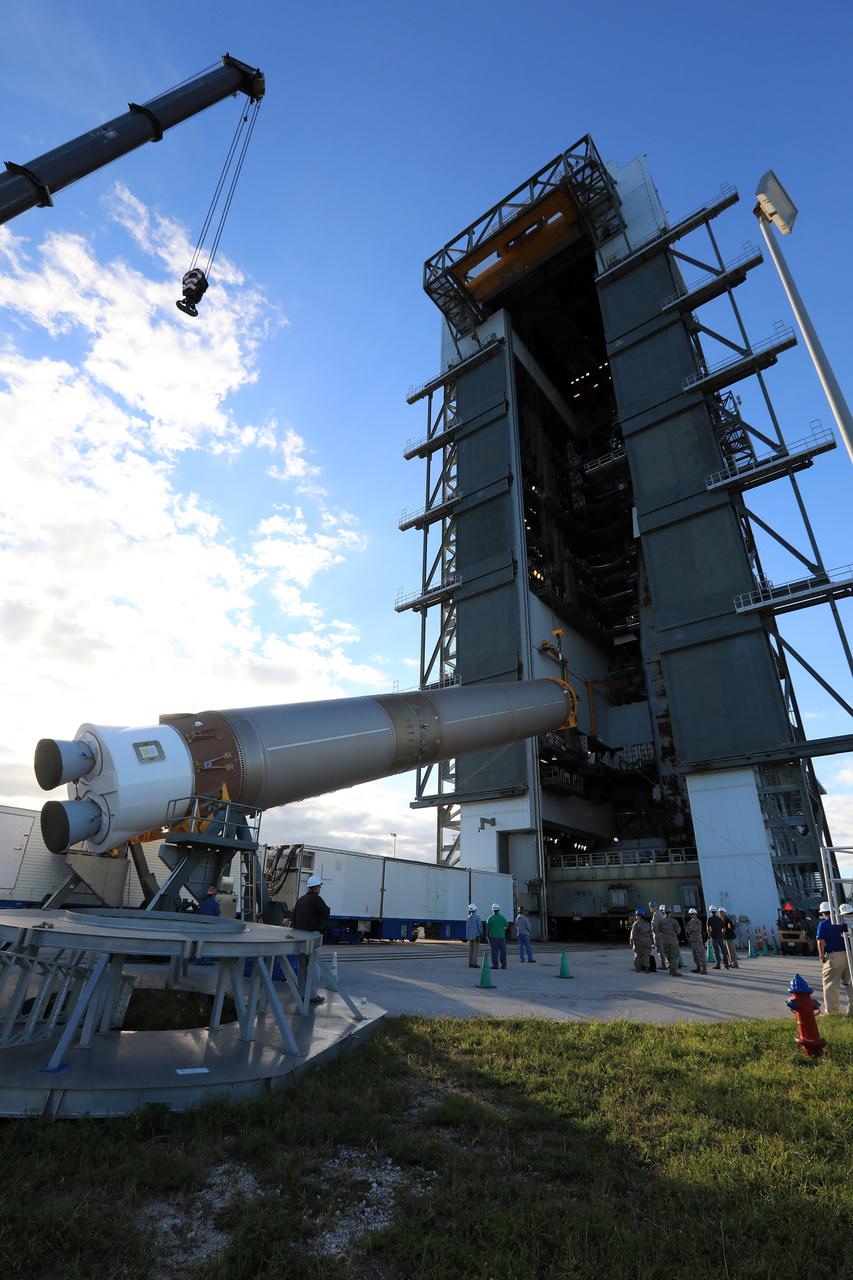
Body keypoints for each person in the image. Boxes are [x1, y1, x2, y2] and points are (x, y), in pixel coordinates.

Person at [293, 873, 331, 1005]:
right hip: (311, 937)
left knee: (302, 966)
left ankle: (302, 993)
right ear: (317, 887)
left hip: (300, 936)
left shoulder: (301, 899)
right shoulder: (316, 899)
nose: (320, 888)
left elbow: (294, 917)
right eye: (319, 886)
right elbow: (326, 912)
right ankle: (313, 994)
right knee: (314, 967)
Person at [816, 901, 852, 1016]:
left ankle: (831, 1013)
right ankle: (851, 1012)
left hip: (833, 956)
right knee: (850, 984)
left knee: (831, 985)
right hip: (848, 954)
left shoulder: (824, 924)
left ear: (823, 913)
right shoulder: (843, 922)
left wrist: (821, 956)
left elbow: (820, 941)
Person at [656, 906, 681, 977]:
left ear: (663, 912)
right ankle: (674, 971)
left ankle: (670, 970)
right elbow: (678, 931)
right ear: (670, 912)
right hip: (673, 941)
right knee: (674, 956)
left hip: (665, 941)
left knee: (668, 956)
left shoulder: (661, 921)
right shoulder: (674, 921)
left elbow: (659, 930)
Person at [486, 903, 509, 970]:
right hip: (502, 937)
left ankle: (495, 965)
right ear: (499, 910)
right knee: (503, 952)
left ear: (493, 910)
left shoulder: (490, 918)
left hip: (493, 938)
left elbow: (487, 928)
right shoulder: (502, 918)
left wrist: (486, 936)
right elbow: (507, 926)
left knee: (494, 952)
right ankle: (504, 965)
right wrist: (503, 929)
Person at [685, 907, 707, 974]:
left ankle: (704, 969)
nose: (691, 915)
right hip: (692, 941)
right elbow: (687, 930)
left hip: (697, 940)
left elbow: (694, 929)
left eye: (692, 914)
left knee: (700, 955)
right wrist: (690, 929)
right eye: (690, 914)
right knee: (695, 955)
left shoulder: (698, 921)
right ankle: (698, 967)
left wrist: (690, 929)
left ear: (695, 914)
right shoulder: (690, 922)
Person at [650, 903, 668, 971]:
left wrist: (654, 932)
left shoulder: (656, 914)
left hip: (658, 935)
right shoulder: (660, 914)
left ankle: (664, 965)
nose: (650, 908)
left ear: (654, 907)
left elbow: (654, 926)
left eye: (651, 907)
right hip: (662, 934)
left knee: (660, 950)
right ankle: (666, 963)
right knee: (663, 950)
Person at [465, 903, 483, 968]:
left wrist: (467, 936)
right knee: (475, 950)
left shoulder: (468, 917)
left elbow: (467, 927)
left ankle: (470, 963)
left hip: (470, 936)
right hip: (476, 936)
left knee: (470, 950)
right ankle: (474, 963)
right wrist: (481, 934)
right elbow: (480, 927)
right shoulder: (477, 917)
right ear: (475, 909)